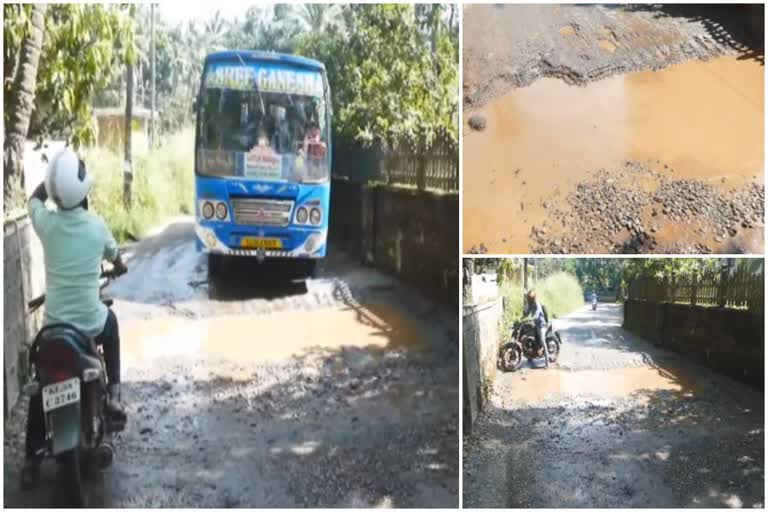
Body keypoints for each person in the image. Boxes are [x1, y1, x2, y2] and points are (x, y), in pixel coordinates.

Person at [21, 148, 128, 488]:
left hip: (53, 330)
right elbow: (116, 255)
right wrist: (119, 264)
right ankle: (113, 394)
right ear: (84, 190)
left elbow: (32, 201)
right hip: (89, 326)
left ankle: (31, 458)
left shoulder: (47, 224)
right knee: (111, 325)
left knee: (41, 388)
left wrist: (50, 183)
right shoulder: (97, 228)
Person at [522, 289, 550, 368]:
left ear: (533, 298)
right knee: (529, 336)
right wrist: (522, 317)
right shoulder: (531, 305)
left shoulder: (537, 304)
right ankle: (530, 356)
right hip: (536, 324)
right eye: (528, 298)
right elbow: (527, 313)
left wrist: (531, 318)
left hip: (541, 325)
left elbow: (537, 314)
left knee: (542, 340)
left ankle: (547, 362)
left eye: (530, 298)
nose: (529, 300)